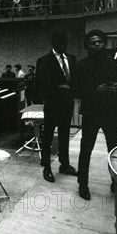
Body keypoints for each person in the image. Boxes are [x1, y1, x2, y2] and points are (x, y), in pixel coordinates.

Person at [72, 30, 117, 200]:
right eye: (93, 42)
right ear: (87, 46)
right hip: (92, 112)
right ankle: (83, 184)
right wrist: (96, 90)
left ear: (104, 43)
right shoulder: (81, 66)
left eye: (100, 42)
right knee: (86, 149)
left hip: (112, 112)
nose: (97, 45)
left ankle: (115, 183)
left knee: (115, 150)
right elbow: (75, 89)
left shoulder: (115, 64)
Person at [36, 33, 78, 183]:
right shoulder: (44, 61)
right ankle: (46, 166)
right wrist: (58, 89)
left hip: (67, 104)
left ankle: (64, 164)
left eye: (64, 41)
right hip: (53, 104)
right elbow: (41, 84)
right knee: (48, 135)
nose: (62, 44)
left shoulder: (72, 59)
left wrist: (71, 89)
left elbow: (76, 80)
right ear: (52, 42)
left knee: (64, 134)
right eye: (58, 41)